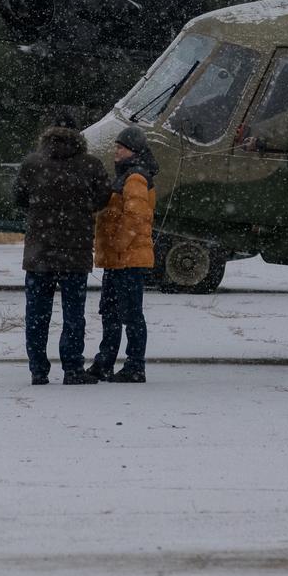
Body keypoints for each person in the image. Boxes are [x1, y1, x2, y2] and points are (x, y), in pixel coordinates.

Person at [12, 109, 112, 386]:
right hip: (75, 250)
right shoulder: (90, 164)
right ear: (78, 134)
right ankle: (72, 368)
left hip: (38, 252)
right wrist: (82, 210)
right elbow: (104, 196)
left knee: (36, 314)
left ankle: (38, 369)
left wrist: (39, 215)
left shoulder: (32, 163)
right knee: (73, 314)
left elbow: (18, 197)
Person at [88, 125, 157, 383]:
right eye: (117, 146)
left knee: (130, 314)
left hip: (128, 259)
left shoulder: (136, 177)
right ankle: (105, 361)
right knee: (111, 312)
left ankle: (135, 366)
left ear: (133, 151)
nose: (116, 151)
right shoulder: (126, 175)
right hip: (119, 261)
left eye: (121, 147)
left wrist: (118, 244)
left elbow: (136, 216)